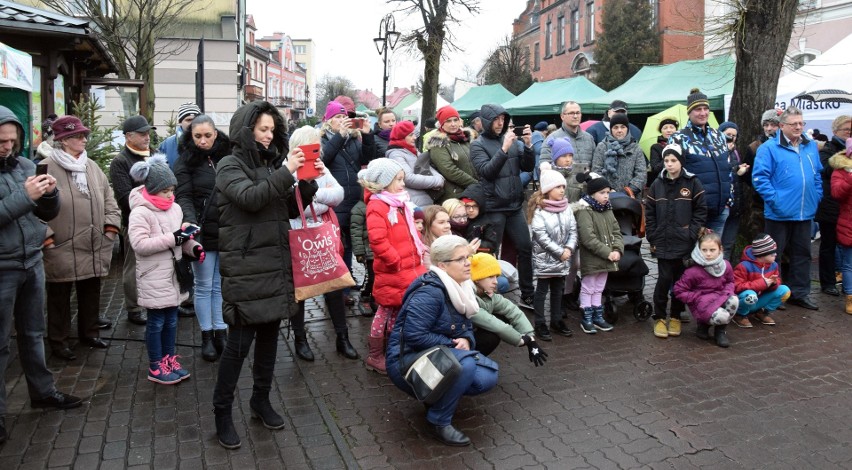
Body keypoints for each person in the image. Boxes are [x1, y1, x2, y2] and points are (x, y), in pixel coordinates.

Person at [212, 101, 320, 450]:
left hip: (274, 263)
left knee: (271, 340)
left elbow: (285, 207)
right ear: (246, 129)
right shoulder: (230, 165)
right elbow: (251, 198)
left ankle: (260, 400)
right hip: (246, 267)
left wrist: (306, 183)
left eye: (272, 130)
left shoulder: (273, 163)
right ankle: (222, 412)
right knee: (238, 346)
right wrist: (287, 171)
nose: (269, 135)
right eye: (262, 129)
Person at [0, 106, 82, 445]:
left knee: (34, 333)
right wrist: (25, 195)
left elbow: (45, 210)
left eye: (11, 139)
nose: (6, 146)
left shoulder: (23, 165)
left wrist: (50, 194)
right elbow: (15, 206)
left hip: (31, 261)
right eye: (0, 141)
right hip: (2, 268)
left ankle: (43, 391)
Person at [385, 235, 499, 447]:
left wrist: (466, 338)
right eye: (461, 259)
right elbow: (414, 335)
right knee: (465, 363)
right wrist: (453, 344)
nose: (468, 263)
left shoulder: (460, 288)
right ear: (442, 265)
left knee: (486, 377)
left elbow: (465, 326)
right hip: (406, 361)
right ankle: (438, 420)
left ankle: (436, 396)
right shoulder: (430, 292)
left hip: (432, 352)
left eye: (468, 257)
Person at [41, 115, 120, 360]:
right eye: (78, 136)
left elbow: (110, 199)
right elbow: (33, 209)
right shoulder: (45, 167)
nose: (84, 139)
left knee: (91, 290)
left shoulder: (91, 166)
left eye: (84, 135)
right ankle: (59, 341)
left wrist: (110, 228)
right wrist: (47, 239)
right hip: (61, 244)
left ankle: (90, 333)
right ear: (63, 140)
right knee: (59, 296)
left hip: (93, 242)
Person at [287, 126, 359, 362]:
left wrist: (314, 194)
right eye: (313, 145)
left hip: (321, 234)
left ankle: (342, 337)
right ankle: (300, 339)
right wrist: (316, 197)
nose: (317, 150)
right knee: (300, 287)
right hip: (297, 236)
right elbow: (293, 205)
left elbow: (338, 195)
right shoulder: (286, 169)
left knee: (334, 284)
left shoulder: (320, 166)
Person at [128, 155, 201, 385]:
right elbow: (140, 245)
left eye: (172, 189)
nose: (171, 195)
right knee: (156, 322)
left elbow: (180, 240)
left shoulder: (175, 209)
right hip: (154, 277)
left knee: (172, 321)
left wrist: (193, 247)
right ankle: (155, 365)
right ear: (152, 189)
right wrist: (174, 237)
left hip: (173, 276)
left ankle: (169, 360)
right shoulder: (141, 212)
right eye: (165, 191)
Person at [360, 158, 428, 375]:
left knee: (399, 312)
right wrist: (394, 260)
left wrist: (420, 248)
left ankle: (393, 351)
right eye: (398, 180)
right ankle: (375, 354)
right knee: (384, 312)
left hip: (409, 268)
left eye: (402, 179)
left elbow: (411, 231)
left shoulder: (400, 203)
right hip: (393, 270)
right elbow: (378, 240)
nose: (402, 184)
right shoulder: (377, 205)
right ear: (384, 182)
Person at [752, 105, 822, 311]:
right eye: (794, 124)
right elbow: (760, 178)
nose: (799, 127)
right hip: (778, 213)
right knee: (774, 255)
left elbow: (817, 174)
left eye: (801, 123)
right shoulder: (769, 148)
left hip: (805, 211)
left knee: (802, 253)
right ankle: (775, 293)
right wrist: (775, 200)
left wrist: (816, 196)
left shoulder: (810, 146)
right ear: (782, 126)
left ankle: (800, 293)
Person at [174, 114, 231, 362]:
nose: (203, 141)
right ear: (191, 135)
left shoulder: (226, 156)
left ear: (215, 134)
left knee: (219, 285)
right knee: (204, 285)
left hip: (226, 228)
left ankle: (221, 331)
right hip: (201, 230)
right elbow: (183, 194)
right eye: (198, 136)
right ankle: (206, 335)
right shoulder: (185, 161)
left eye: (208, 135)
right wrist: (189, 218)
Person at [470, 104, 536, 306]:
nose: (500, 123)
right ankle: (487, 295)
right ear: (487, 121)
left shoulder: (511, 139)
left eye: (503, 119)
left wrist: (528, 146)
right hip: (494, 206)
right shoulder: (477, 145)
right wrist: (504, 148)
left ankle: (527, 293)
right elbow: (486, 172)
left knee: (525, 247)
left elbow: (527, 167)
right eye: (496, 119)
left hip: (515, 206)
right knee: (490, 252)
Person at [645, 144, 707, 339]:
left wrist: (692, 232)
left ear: (681, 161)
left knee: (681, 282)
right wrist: (653, 234)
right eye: (666, 161)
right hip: (663, 240)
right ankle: (660, 317)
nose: (670, 164)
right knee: (663, 280)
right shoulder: (657, 184)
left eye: (674, 160)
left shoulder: (692, 182)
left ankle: (676, 316)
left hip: (684, 242)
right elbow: (649, 211)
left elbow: (700, 210)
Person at [321, 101, 376, 303]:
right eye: (337, 117)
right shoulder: (324, 139)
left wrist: (368, 135)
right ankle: (338, 291)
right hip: (336, 202)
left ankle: (346, 283)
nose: (342, 121)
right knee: (337, 246)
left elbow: (367, 158)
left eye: (345, 117)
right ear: (328, 120)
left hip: (355, 199)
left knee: (351, 245)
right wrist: (340, 136)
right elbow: (324, 159)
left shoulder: (354, 139)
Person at [110, 115, 157, 326]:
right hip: (136, 224)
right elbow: (124, 198)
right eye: (142, 133)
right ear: (128, 136)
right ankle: (134, 307)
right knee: (134, 267)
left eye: (148, 132)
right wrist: (155, 201)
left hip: (159, 222)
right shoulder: (120, 162)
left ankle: (156, 302)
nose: (147, 136)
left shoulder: (154, 155)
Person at [670, 88, 731, 236]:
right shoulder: (679, 138)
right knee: (692, 256)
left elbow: (728, 169)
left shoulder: (719, 136)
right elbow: (673, 175)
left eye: (705, 108)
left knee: (713, 256)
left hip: (720, 209)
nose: (703, 113)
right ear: (689, 112)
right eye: (698, 109)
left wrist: (730, 200)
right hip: (694, 211)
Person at [468, 253, 545, 364]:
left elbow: (513, 311)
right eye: (490, 277)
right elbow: (495, 324)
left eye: (496, 276)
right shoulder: (469, 298)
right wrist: (520, 340)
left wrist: (530, 338)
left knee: (503, 316)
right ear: (477, 279)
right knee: (492, 335)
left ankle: (473, 359)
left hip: (469, 334)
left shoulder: (489, 294)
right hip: (455, 342)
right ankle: (469, 361)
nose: (496, 281)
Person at [527, 169, 578, 340]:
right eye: (557, 187)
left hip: (563, 258)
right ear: (548, 189)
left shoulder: (566, 208)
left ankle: (556, 320)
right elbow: (541, 236)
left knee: (558, 290)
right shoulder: (540, 211)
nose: (562, 190)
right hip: (546, 259)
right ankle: (540, 323)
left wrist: (569, 249)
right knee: (541, 291)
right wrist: (560, 252)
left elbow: (573, 230)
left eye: (563, 186)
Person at [573, 172, 622, 334]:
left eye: (608, 192)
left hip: (608, 257)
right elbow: (587, 238)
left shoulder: (607, 209)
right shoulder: (584, 210)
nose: (606, 196)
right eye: (602, 193)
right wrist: (608, 252)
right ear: (592, 193)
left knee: (599, 287)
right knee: (588, 286)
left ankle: (597, 315)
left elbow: (617, 231)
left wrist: (617, 249)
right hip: (593, 258)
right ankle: (586, 316)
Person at [673, 233, 737, 348]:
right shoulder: (693, 271)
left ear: (720, 249)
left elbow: (730, 281)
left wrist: (726, 292)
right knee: (722, 316)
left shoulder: (726, 265)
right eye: (704, 250)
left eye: (712, 250)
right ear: (699, 250)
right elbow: (679, 290)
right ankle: (703, 324)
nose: (708, 253)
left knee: (734, 300)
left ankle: (720, 331)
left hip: (720, 297)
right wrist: (697, 298)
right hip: (702, 303)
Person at [815, 115, 850, 296]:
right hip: (830, 206)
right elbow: (826, 170)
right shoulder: (827, 149)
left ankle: (847, 283)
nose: (850, 134)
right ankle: (827, 282)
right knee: (828, 245)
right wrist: (844, 157)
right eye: (847, 130)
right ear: (835, 131)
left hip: (847, 208)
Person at [732, 233, 791, 328]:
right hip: (746, 299)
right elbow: (735, 287)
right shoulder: (744, 266)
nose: (775, 254)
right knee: (751, 295)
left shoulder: (774, 265)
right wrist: (761, 284)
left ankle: (762, 312)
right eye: (772, 253)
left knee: (785, 290)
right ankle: (740, 314)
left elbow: (778, 280)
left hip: (760, 300)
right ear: (761, 255)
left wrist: (774, 283)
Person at [386, 120, 444, 207]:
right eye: (410, 135)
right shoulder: (395, 154)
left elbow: (427, 167)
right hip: (414, 203)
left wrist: (439, 178)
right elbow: (408, 178)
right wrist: (437, 181)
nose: (414, 137)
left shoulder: (413, 151)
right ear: (401, 137)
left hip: (425, 199)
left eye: (414, 134)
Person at [428, 106, 478, 203]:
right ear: (441, 124)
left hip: (472, 191)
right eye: (448, 121)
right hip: (455, 196)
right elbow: (449, 170)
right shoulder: (438, 143)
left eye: (455, 120)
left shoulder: (466, 138)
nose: (453, 124)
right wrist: (475, 184)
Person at [591, 112, 646, 198]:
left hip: (630, 198)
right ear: (611, 129)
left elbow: (641, 174)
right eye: (615, 127)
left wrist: (628, 191)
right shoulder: (602, 146)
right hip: (606, 197)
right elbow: (596, 171)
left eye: (622, 127)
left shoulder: (636, 148)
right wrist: (608, 190)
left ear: (627, 129)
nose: (619, 130)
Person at [718, 121, 750, 259]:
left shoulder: (735, 152)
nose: (731, 138)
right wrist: (736, 169)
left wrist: (740, 169)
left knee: (728, 244)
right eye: (728, 134)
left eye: (734, 135)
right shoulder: (715, 151)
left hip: (735, 206)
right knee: (716, 244)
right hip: (721, 206)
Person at [830, 138, 852, 313]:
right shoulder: (840, 171)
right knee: (849, 265)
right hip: (848, 224)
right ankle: (850, 297)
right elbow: (836, 193)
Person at [540, 101, 596, 167]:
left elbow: (595, 165)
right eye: (571, 113)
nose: (575, 116)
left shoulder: (589, 138)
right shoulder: (552, 139)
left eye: (578, 113)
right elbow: (544, 167)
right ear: (562, 116)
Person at [350, 198, 377, 316]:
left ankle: (374, 298)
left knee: (379, 277)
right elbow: (356, 232)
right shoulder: (359, 209)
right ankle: (365, 297)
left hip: (379, 250)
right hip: (368, 250)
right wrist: (359, 252)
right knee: (370, 277)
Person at [159, 102, 200, 168]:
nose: (192, 123)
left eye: (195, 119)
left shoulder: (206, 142)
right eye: (188, 120)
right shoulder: (167, 145)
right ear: (180, 122)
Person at [648, 116, 679, 181]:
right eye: (665, 128)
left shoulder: (682, 145)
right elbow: (655, 169)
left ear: (676, 130)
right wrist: (669, 152)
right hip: (663, 181)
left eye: (672, 127)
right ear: (661, 131)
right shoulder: (656, 147)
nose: (669, 130)